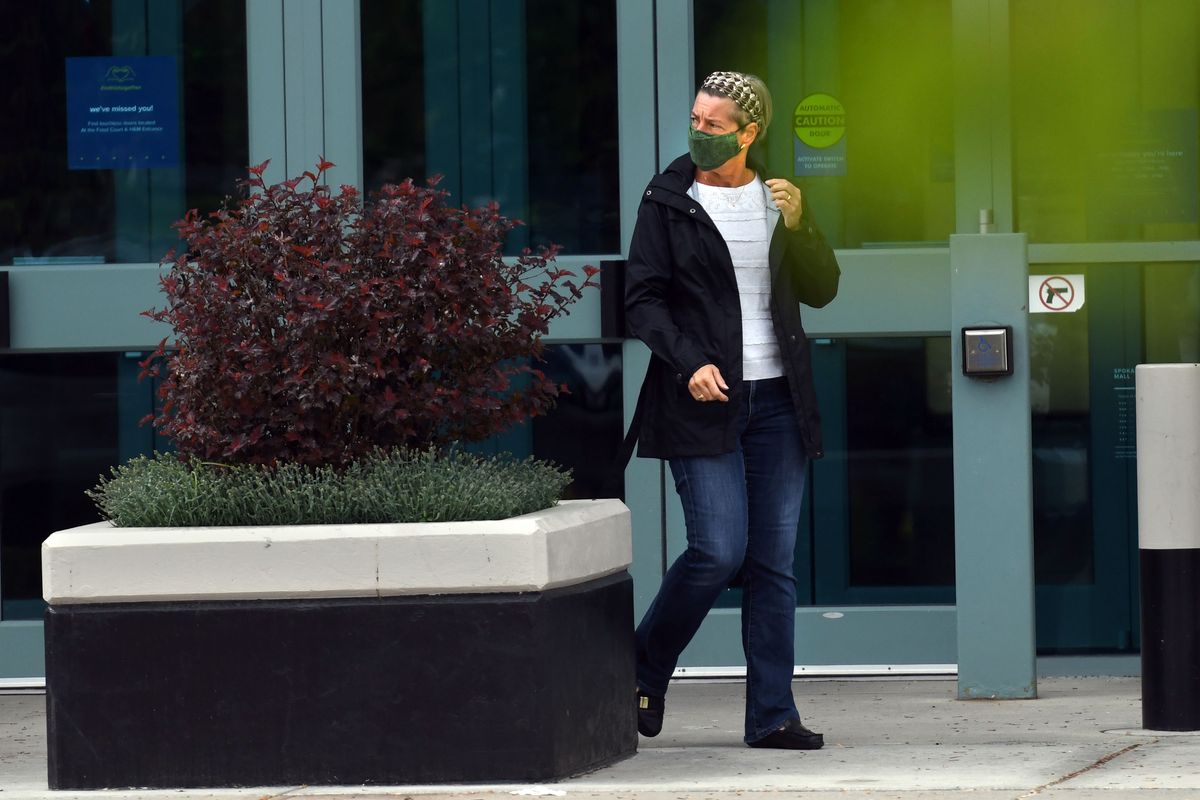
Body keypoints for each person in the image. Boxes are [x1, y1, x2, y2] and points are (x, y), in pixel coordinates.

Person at [624, 71, 840, 749]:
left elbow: (824, 289)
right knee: (719, 550)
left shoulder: (778, 201)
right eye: (696, 119)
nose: (699, 132)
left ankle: (773, 714)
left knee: (773, 563)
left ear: (750, 133)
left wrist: (803, 227)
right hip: (702, 401)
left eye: (714, 125)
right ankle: (644, 666)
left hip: (778, 401)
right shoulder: (668, 199)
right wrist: (690, 363)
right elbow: (642, 300)